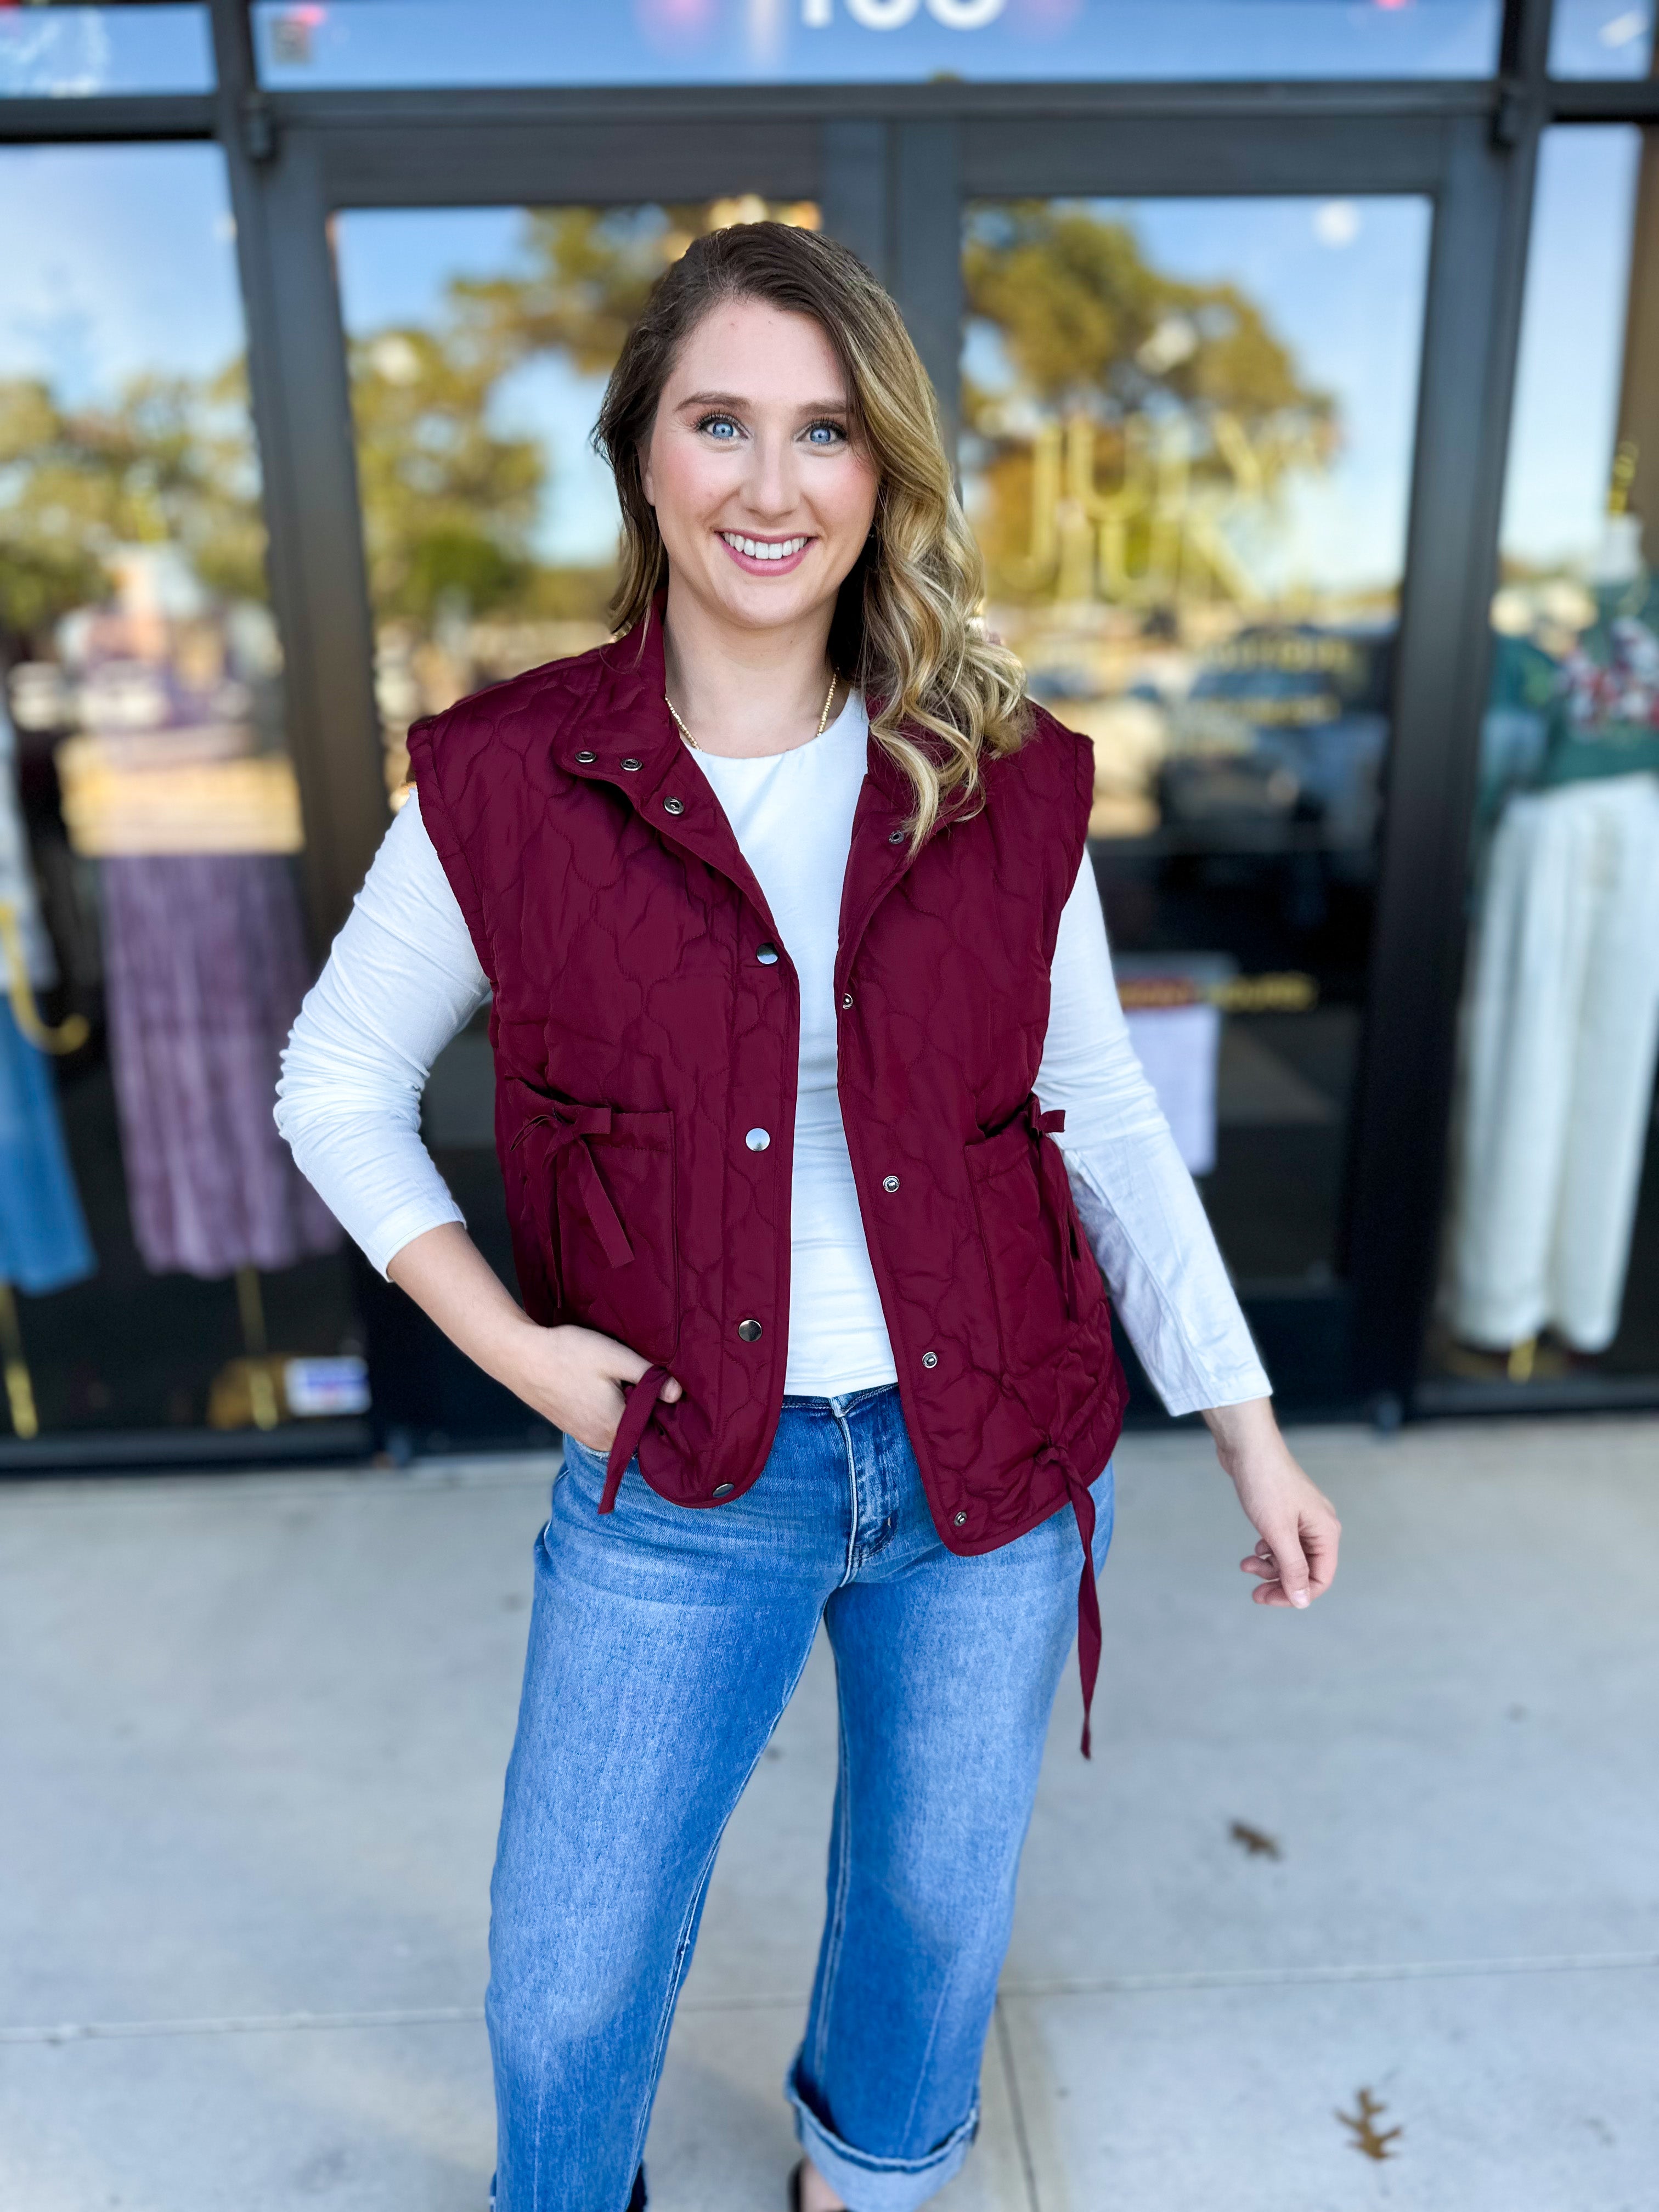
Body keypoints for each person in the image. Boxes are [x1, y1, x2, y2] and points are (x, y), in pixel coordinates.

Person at [276, 221, 1340, 2212]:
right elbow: (331, 1086)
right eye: (721, 423)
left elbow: (1095, 1105)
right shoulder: (508, 783)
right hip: (682, 1469)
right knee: (566, 1981)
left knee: (934, 1922)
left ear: (884, 475)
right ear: (645, 458)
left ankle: (867, 2181)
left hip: (985, 1456)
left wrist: (1248, 1423)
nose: (773, 484)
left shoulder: (997, 779)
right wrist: (517, 1351)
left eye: (826, 433)